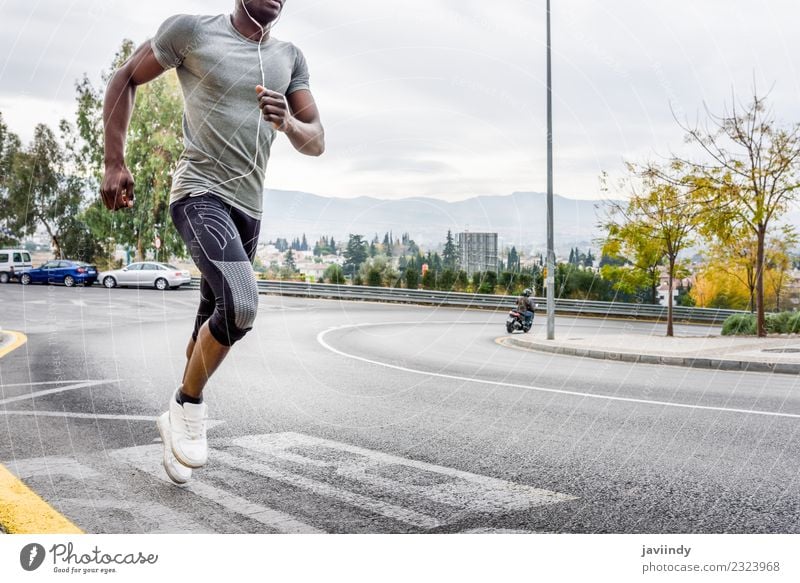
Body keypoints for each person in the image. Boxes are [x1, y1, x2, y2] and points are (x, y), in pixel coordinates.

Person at [100, 0, 324, 484]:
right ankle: (188, 405)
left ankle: (173, 426)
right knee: (242, 303)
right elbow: (124, 80)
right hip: (199, 194)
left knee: (211, 324)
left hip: (251, 212)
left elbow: (317, 140)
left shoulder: (291, 58)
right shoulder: (191, 33)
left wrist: (288, 123)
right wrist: (114, 160)